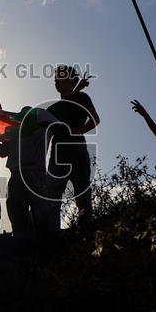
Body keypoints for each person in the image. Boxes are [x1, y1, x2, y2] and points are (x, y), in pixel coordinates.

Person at [0, 73, 57, 236]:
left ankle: (44, 245)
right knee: (18, 220)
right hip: (17, 177)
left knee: (41, 220)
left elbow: (56, 124)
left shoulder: (42, 129)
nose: (25, 117)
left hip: (35, 175)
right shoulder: (14, 134)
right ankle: (23, 245)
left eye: (28, 114)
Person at [46, 65, 100, 223]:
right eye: (55, 79)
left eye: (60, 78)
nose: (56, 81)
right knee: (51, 198)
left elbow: (95, 119)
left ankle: (86, 229)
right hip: (58, 156)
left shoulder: (82, 98)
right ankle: (51, 233)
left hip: (78, 153)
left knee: (83, 197)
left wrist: (80, 130)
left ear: (70, 80)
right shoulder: (52, 109)